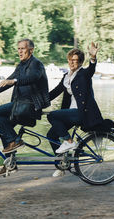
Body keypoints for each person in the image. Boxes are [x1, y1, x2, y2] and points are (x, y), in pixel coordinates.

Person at [0, 38, 50, 176]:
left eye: (22, 48)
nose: (20, 51)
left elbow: (33, 78)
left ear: (31, 49)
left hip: (30, 105)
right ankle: (10, 164)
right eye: (18, 49)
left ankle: (15, 140)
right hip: (20, 105)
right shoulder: (20, 66)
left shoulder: (36, 64)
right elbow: (6, 83)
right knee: (2, 130)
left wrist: (15, 81)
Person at [47, 42, 103, 177]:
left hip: (81, 112)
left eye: (75, 60)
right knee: (51, 135)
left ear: (80, 62)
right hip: (70, 113)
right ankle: (62, 164)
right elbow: (54, 92)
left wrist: (93, 58)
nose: (72, 63)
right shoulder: (66, 77)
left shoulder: (83, 74)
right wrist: (37, 102)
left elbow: (91, 70)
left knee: (52, 115)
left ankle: (70, 142)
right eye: (70, 60)